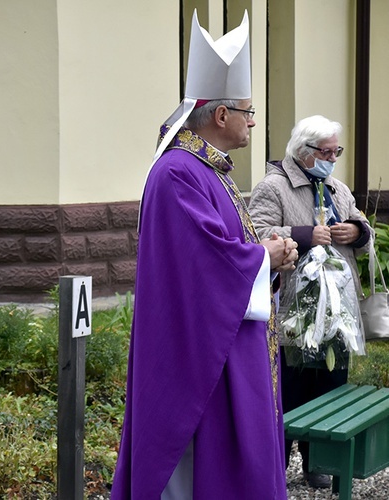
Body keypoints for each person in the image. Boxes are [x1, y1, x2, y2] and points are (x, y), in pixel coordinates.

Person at [111, 11, 295, 499]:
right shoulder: (179, 173)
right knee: (204, 472)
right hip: (201, 358)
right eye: (249, 112)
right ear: (221, 115)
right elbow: (204, 267)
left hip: (229, 343)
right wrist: (264, 259)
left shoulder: (208, 170)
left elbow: (224, 251)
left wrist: (265, 258)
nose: (253, 121)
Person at [248, 115, 371, 489]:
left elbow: (360, 224)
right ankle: (277, 465)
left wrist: (356, 230)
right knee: (292, 387)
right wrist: (302, 234)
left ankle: (317, 461)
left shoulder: (336, 188)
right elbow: (254, 232)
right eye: (327, 152)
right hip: (295, 310)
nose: (333, 158)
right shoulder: (274, 187)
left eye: (337, 151)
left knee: (331, 382)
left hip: (337, 311)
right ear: (304, 152)